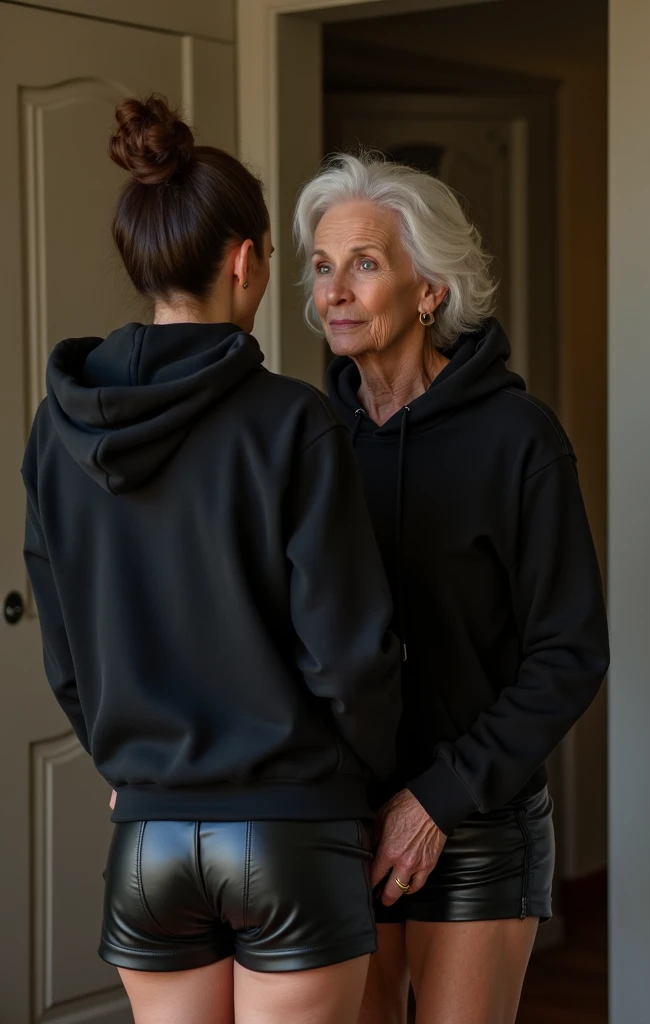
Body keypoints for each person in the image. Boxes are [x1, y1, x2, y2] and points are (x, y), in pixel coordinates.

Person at [22, 102, 401, 1024]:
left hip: (146, 837)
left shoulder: (56, 432)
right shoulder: (293, 422)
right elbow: (349, 654)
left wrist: (129, 756)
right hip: (293, 828)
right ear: (243, 258)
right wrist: (373, 777)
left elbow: (64, 645)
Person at [294, 152, 610, 1024]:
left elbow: (570, 652)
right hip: (333, 821)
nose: (335, 292)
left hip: (473, 821)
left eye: (364, 262)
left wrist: (436, 800)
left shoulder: (518, 438)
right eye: (323, 267)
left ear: (429, 288)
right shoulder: (307, 442)